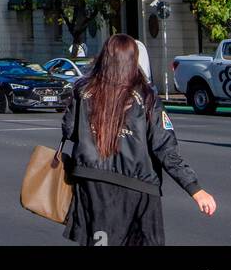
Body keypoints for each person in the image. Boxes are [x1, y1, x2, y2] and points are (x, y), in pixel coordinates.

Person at [60, 33, 216, 247]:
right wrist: (195, 189)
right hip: (138, 187)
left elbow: (69, 130)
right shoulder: (146, 96)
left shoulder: (84, 90)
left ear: (104, 57)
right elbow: (165, 148)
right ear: (134, 60)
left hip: (92, 182)